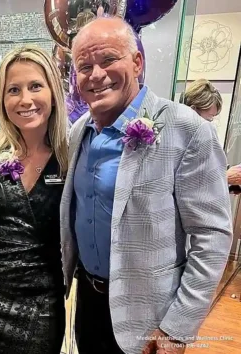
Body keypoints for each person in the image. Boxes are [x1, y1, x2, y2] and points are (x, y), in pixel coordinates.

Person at [60, 17, 233, 354]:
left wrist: (177, 327)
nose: (96, 74)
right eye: (84, 66)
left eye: (108, 59)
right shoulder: (79, 131)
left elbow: (212, 236)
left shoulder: (188, 130)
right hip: (87, 305)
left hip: (150, 319)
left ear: (137, 62)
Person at [0, 45, 68, 354]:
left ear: (52, 90)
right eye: (13, 90)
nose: (25, 99)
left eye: (35, 86)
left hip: (41, 305)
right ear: (2, 99)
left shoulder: (71, 158)